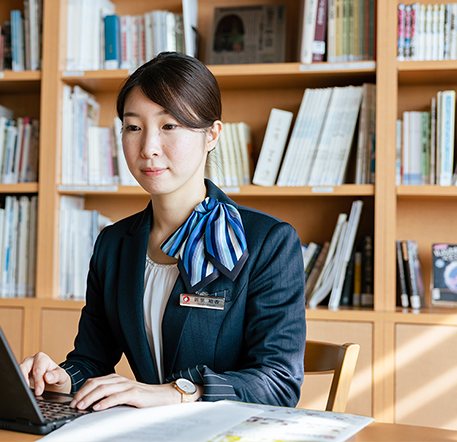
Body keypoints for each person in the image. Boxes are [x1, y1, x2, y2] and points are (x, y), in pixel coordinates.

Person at [20, 52, 306, 411]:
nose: (148, 148)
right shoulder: (113, 244)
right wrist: (59, 379)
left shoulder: (268, 242)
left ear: (212, 135)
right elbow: (91, 360)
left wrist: (177, 392)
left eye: (169, 126)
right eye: (133, 127)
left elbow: (278, 382)